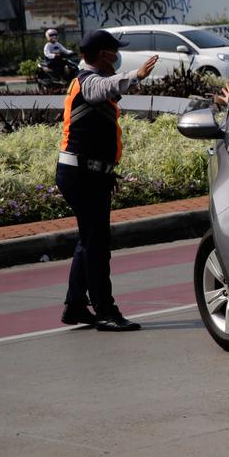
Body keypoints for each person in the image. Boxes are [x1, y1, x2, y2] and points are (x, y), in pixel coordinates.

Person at [57, 29, 158, 331]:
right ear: (103, 54)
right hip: (80, 174)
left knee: (87, 241)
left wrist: (105, 171)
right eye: (115, 50)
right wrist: (136, 75)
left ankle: (75, 306)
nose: (118, 55)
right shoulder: (88, 82)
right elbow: (104, 87)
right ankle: (104, 310)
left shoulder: (89, 81)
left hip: (88, 173)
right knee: (96, 245)